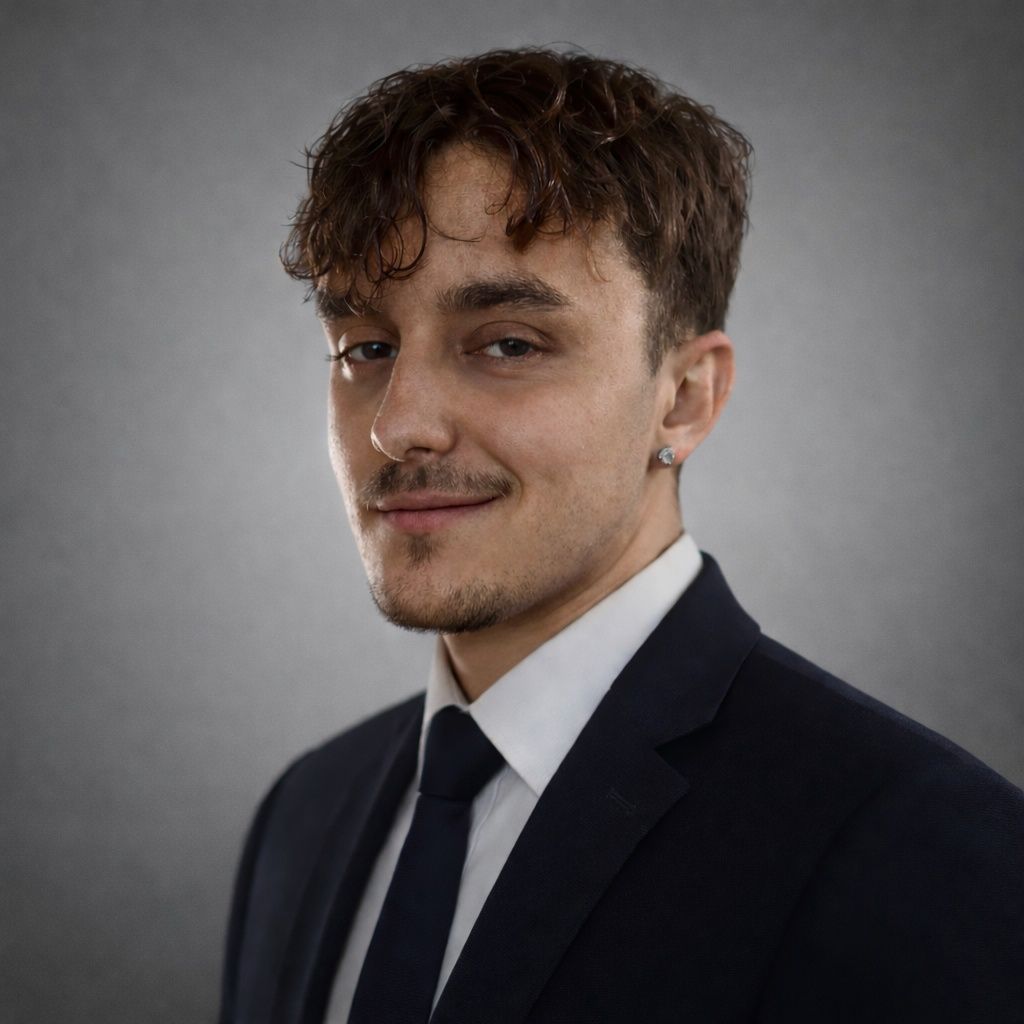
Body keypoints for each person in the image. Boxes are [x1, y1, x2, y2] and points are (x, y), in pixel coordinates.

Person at [219, 48, 1024, 1023]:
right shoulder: (302, 817)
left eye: (508, 343)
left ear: (684, 398)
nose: (398, 423)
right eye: (365, 349)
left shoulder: (919, 844)